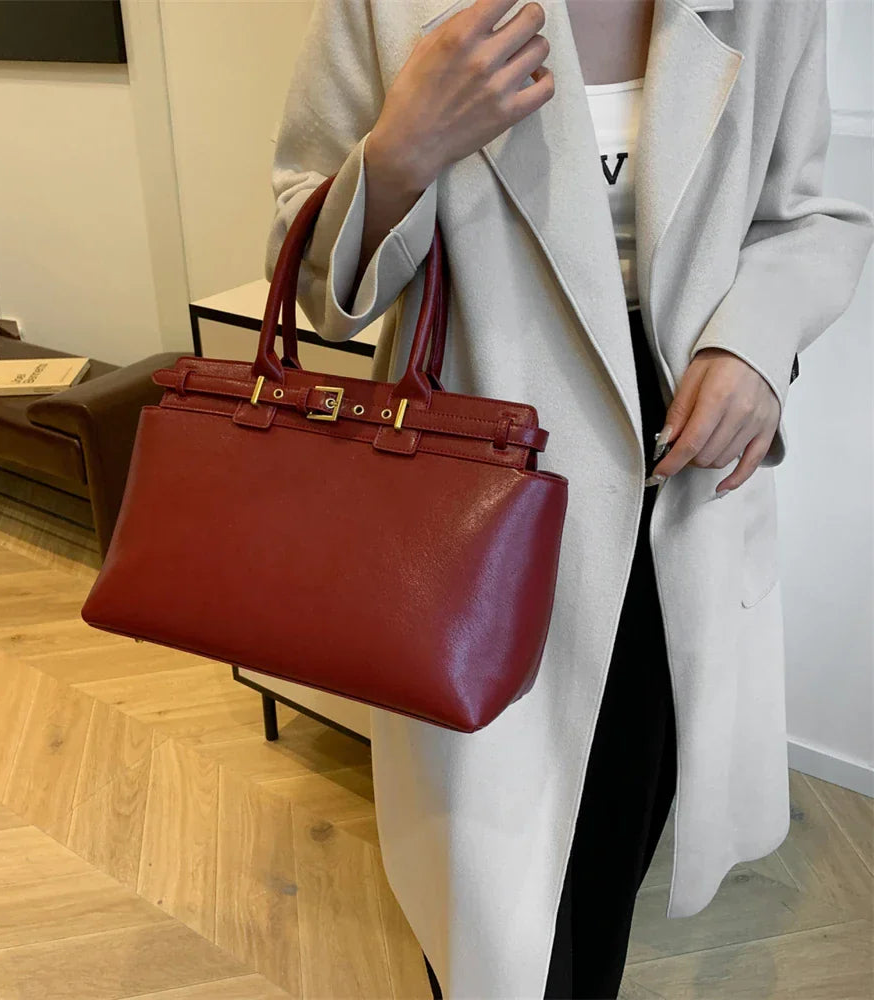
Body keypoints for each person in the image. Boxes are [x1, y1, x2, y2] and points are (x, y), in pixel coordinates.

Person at [265, 1, 874, 997]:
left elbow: (802, 217)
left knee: (611, 846)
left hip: (679, 490)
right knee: (482, 880)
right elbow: (310, 271)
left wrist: (758, 345)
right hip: (473, 490)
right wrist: (404, 146)